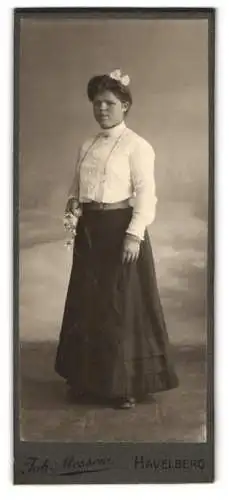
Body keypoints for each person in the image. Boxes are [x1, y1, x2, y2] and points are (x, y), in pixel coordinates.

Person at [55, 69, 178, 409]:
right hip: (91, 230)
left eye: (109, 103)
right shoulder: (87, 144)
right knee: (87, 303)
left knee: (118, 307)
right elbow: (77, 187)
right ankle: (84, 379)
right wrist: (72, 207)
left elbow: (146, 194)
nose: (102, 110)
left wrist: (134, 235)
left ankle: (122, 385)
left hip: (121, 229)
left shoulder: (138, 146)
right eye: (97, 104)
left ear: (125, 106)